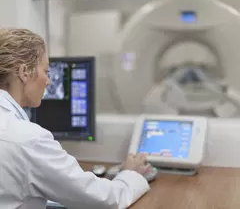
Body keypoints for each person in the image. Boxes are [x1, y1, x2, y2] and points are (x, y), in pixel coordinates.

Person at [0, 28, 150, 209]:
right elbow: (103, 200)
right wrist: (130, 174)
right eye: (46, 71)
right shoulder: (27, 140)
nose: (48, 80)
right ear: (24, 72)